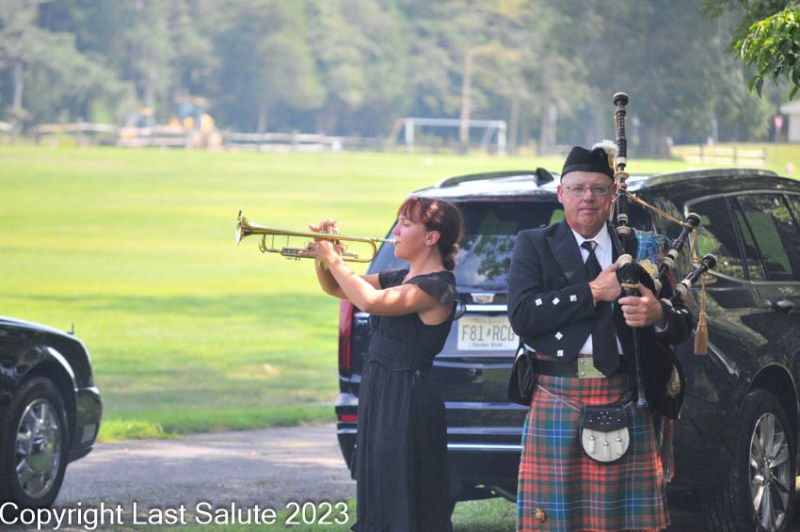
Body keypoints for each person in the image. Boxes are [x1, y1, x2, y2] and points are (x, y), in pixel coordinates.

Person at [507, 144, 692, 531]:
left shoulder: (640, 247)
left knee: (629, 522)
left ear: (612, 196)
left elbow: (681, 322)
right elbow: (522, 315)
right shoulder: (535, 244)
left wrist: (657, 315)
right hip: (558, 394)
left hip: (628, 392)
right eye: (577, 188)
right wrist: (592, 292)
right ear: (561, 194)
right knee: (556, 522)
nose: (587, 197)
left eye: (598, 189)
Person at [305, 196, 463, 532]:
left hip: (407, 396)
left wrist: (333, 257)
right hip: (381, 390)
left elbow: (370, 302)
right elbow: (335, 288)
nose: (396, 232)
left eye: (405, 224)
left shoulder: (437, 287)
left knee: (403, 486)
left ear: (431, 237)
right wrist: (325, 258)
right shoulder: (399, 277)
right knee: (378, 483)